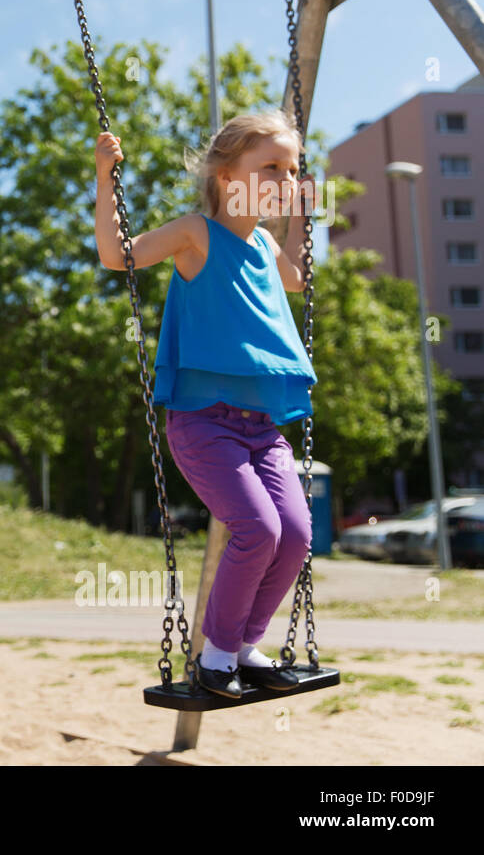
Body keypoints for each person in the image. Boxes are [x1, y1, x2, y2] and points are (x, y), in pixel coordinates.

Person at [93, 108, 316, 699]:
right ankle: (215, 656)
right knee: (257, 530)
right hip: (204, 423)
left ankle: (245, 645)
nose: (285, 179)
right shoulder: (196, 233)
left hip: (262, 427)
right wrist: (104, 177)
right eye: (271, 167)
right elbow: (119, 256)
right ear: (225, 175)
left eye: (291, 169)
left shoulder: (266, 245)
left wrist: (302, 215)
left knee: (294, 534)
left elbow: (295, 277)